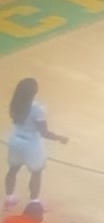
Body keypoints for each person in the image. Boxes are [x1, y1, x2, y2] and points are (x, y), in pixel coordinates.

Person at [5, 78, 68, 210]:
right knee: (36, 173)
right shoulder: (37, 108)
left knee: (13, 169)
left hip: (15, 140)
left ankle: (9, 198)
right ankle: (34, 202)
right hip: (31, 145)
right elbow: (44, 132)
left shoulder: (14, 104)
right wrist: (60, 138)